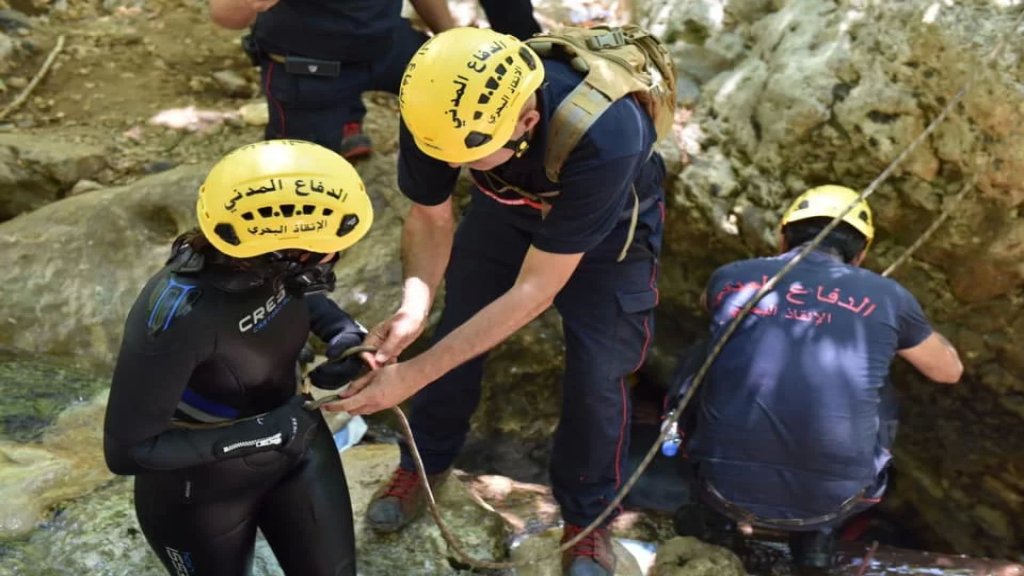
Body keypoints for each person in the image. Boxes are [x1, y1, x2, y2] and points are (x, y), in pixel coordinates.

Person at [325, 27, 667, 576]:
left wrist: (410, 376)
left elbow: (536, 289)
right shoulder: (436, 108)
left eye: (475, 155)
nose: (458, 163)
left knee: (600, 373)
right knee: (454, 324)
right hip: (505, 210)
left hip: (610, 234)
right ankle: (426, 461)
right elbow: (430, 215)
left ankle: (586, 519)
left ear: (527, 122)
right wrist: (414, 304)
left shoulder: (609, 132)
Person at [103, 139, 375, 576]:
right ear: (286, 251)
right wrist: (264, 433)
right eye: (330, 245)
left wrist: (342, 333)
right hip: (200, 494)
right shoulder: (178, 315)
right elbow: (127, 451)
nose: (336, 255)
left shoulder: (262, 261)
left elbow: (301, 297)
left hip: (299, 447)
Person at [671, 185, 963, 573]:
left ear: (782, 237)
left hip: (720, 488)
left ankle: (716, 520)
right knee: (878, 391)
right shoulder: (890, 297)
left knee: (705, 354)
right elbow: (948, 371)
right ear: (860, 254)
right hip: (834, 502)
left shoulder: (732, 277)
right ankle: (815, 539)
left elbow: (710, 305)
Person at [208, 0, 456, 159]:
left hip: (385, 41)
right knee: (299, 177)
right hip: (309, 66)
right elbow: (225, 15)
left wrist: (452, 40)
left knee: (457, 87)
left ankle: (347, 121)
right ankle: (336, 127)